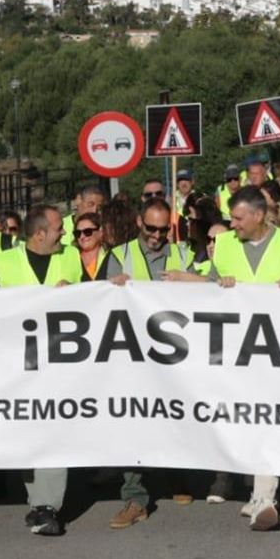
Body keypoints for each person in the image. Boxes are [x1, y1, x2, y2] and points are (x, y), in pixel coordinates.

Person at [206, 186, 280, 531]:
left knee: (267, 418)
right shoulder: (224, 245)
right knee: (246, 420)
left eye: (238, 218)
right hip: (234, 352)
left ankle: (265, 497)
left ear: (258, 215)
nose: (232, 224)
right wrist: (218, 284)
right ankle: (255, 489)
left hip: (278, 349)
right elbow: (205, 294)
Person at [101, 198, 196, 528]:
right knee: (134, 421)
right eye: (150, 228)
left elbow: (209, 295)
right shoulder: (118, 255)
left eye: (162, 229)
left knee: (176, 416)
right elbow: (100, 301)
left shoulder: (184, 255)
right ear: (140, 222)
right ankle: (134, 497)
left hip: (175, 354)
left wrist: (190, 280)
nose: (156, 235)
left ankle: (178, 476)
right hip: (133, 355)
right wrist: (112, 288)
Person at [0, 204, 81, 537]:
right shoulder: (4, 261)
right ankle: (37, 501)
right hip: (19, 364)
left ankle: (48, 506)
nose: (65, 234)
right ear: (39, 234)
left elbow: (93, 298)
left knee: (55, 428)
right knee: (28, 430)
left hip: (59, 360)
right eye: (59, 229)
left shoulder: (70, 257)